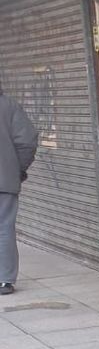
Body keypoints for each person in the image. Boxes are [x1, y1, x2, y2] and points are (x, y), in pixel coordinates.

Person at [0, 90, 39, 295]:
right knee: (4, 228)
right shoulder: (10, 106)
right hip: (4, 179)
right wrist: (18, 170)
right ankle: (4, 280)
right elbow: (27, 141)